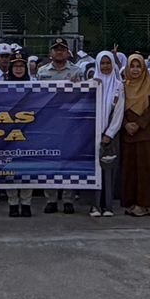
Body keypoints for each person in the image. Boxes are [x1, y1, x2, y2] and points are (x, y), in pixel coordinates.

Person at [36, 38, 82, 214]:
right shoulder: (42, 72)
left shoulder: (77, 71)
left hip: (70, 122)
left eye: (63, 49)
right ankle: (51, 198)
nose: (60, 52)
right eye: (56, 49)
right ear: (51, 53)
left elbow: (83, 95)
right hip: (49, 122)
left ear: (68, 52)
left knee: (68, 160)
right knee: (50, 160)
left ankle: (68, 198)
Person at [121, 54, 150, 217]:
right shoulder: (123, 86)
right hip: (128, 134)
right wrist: (125, 124)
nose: (135, 70)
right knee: (130, 170)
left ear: (144, 68)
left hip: (145, 133)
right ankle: (132, 202)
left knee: (146, 170)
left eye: (139, 66)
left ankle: (145, 203)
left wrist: (138, 124)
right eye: (132, 66)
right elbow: (117, 107)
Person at [2, 57, 37, 217]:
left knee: (27, 167)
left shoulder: (34, 85)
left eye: (21, 66)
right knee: (10, 169)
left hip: (28, 131)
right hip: (8, 132)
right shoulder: (2, 86)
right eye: (15, 66)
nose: (18, 69)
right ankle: (13, 203)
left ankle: (26, 203)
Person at [91, 51, 124, 218]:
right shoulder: (92, 84)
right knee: (94, 170)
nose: (105, 66)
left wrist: (109, 133)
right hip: (92, 134)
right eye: (102, 63)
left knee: (108, 171)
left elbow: (118, 112)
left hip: (110, 135)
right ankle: (95, 206)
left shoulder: (118, 85)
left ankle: (108, 206)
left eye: (108, 63)